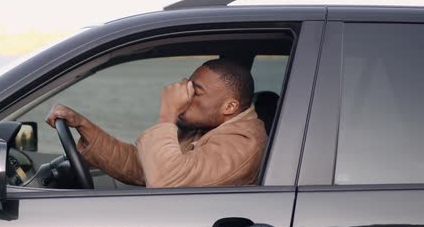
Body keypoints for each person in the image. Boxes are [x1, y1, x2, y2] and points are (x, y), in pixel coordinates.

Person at [45, 58, 267, 188]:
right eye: (187, 88)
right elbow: (144, 166)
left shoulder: (242, 143)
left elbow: (165, 179)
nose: (186, 97)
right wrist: (84, 125)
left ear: (229, 107)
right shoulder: (207, 129)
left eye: (195, 92)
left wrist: (168, 113)